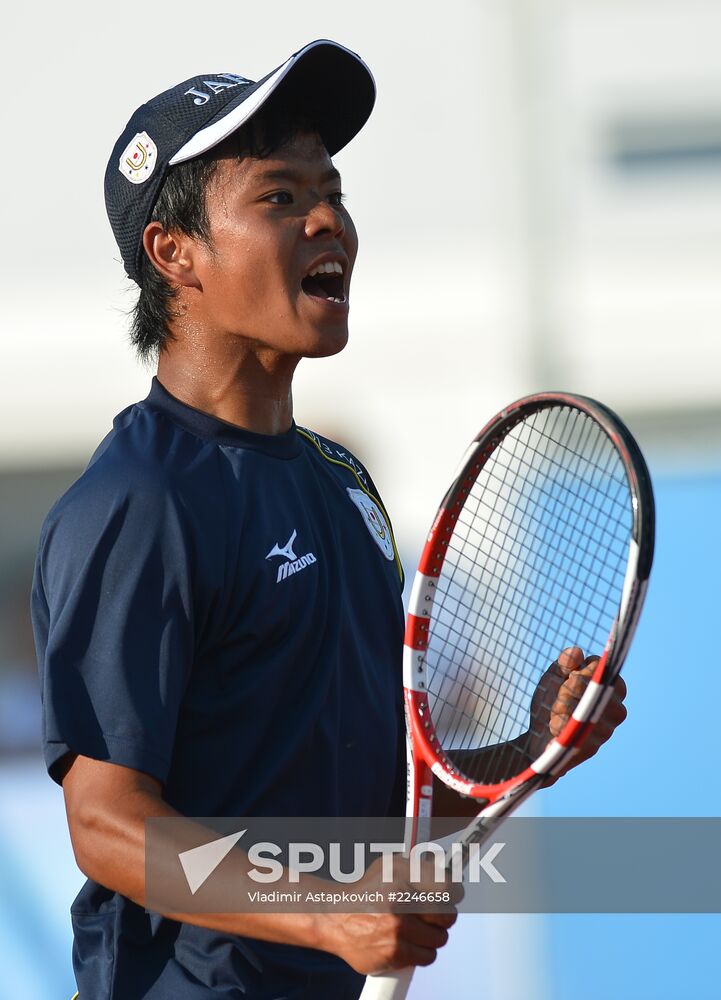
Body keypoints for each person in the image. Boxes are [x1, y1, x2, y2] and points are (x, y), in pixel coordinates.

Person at [32, 40, 627, 1000]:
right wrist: (326, 915)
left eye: (333, 191)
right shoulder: (139, 501)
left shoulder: (342, 481)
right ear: (172, 253)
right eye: (277, 197)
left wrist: (526, 750)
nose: (327, 220)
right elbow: (106, 827)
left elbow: (368, 807)